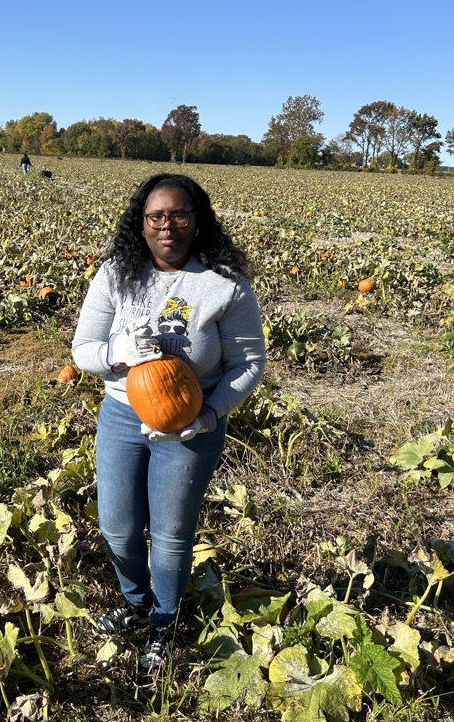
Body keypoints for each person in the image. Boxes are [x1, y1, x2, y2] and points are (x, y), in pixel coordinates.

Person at [72, 173, 265, 670]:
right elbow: (82, 349)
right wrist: (116, 352)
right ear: (141, 223)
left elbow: (249, 363)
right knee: (117, 526)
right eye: (156, 216)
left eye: (179, 215)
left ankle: (165, 618)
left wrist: (209, 413)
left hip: (189, 423)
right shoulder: (116, 274)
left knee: (172, 532)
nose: (168, 226)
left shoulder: (224, 284)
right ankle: (135, 601)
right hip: (122, 412)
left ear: (197, 222)